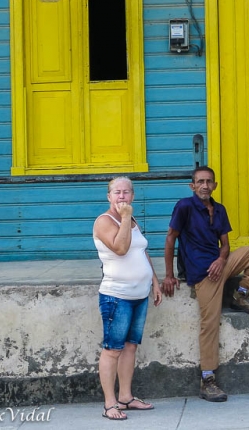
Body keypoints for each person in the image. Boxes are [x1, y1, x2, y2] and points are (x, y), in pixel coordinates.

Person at [161, 166, 249, 402]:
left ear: (215, 185)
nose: (205, 186)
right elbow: (170, 238)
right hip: (203, 274)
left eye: (209, 182)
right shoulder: (184, 206)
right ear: (192, 186)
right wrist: (169, 275)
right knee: (209, 323)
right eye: (200, 182)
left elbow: (226, 245)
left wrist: (221, 259)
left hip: (220, 265)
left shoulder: (219, 210)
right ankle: (207, 379)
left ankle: (242, 294)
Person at [93, 177, 162, 421]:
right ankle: (109, 403)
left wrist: (154, 282)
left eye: (126, 192)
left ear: (132, 196)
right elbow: (120, 248)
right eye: (117, 192)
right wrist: (124, 218)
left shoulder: (132, 221)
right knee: (113, 349)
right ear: (109, 197)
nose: (122, 197)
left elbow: (141, 252)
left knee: (131, 346)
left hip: (139, 295)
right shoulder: (105, 221)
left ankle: (126, 397)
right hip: (116, 296)